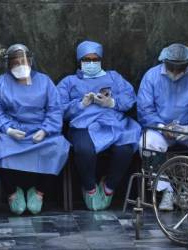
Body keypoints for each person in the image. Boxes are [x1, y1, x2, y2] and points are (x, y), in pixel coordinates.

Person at [0, 44, 70, 215]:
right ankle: (12, 193)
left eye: (24, 60)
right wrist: (8, 130)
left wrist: (46, 130)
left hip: (40, 132)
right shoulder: (1, 84)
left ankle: (39, 193)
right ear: (9, 64)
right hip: (12, 133)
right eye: (16, 62)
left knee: (58, 147)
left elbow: (55, 109)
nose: (21, 65)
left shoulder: (44, 81)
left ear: (31, 61)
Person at [57, 40, 141, 211]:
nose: (91, 63)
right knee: (84, 150)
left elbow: (130, 98)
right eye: (87, 59)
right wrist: (80, 104)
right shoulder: (69, 82)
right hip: (83, 125)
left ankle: (109, 188)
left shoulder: (114, 77)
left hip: (113, 122)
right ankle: (90, 188)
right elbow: (57, 108)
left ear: (101, 60)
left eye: (95, 59)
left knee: (125, 149)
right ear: (80, 61)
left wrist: (112, 103)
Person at [137, 43, 188, 211]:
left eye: (180, 69)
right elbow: (145, 109)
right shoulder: (151, 76)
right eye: (172, 68)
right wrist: (161, 126)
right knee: (147, 144)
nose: (175, 72)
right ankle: (166, 191)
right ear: (165, 62)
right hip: (160, 129)